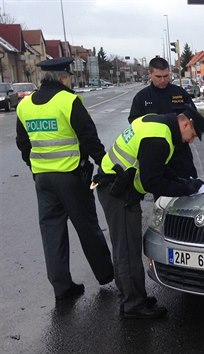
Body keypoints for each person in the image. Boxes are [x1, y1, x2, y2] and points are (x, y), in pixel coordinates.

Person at [95, 105, 204, 319]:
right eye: (193, 134)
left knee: (126, 248)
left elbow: (158, 168)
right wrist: (185, 189)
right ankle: (133, 305)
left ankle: (131, 297)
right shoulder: (159, 138)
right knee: (128, 250)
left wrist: (182, 182)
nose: (191, 140)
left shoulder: (157, 123)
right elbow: (153, 181)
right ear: (186, 124)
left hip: (116, 185)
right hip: (117, 190)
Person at [15, 57, 114, 301]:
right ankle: (106, 275)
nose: (70, 80)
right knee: (87, 227)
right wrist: (106, 164)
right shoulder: (68, 101)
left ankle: (62, 287)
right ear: (63, 77)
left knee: (51, 231)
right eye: (68, 77)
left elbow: (22, 142)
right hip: (71, 176)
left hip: (43, 179)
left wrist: (34, 166)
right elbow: (89, 138)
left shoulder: (25, 105)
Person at [128, 56, 203, 179]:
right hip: (157, 154)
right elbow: (134, 123)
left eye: (166, 76)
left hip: (180, 153)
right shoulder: (142, 97)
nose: (163, 80)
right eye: (158, 77)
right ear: (150, 74)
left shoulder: (179, 93)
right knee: (163, 192)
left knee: (190, 187)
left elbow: (193, 115)